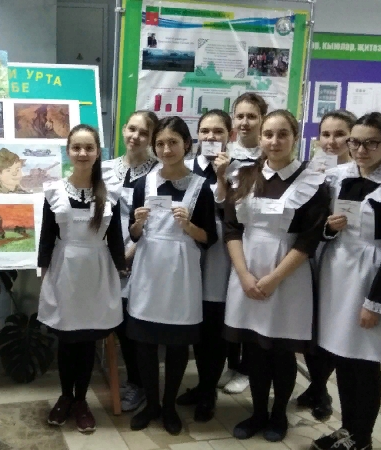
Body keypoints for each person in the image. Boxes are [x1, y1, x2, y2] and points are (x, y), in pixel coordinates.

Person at [311, 112, 381, 450]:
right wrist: (329, 229)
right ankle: (348, 430)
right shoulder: (336, 177)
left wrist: (377, 302)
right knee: (343, 356)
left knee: (364, 361)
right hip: (336, 276)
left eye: (371, 143)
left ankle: (363, 438)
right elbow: (318, 228)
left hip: (371, 277)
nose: (360, 150)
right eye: (355, 142)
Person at [223, 110, 330, 442]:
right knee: (254, 349)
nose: (274, 141)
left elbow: (309, 240)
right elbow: (231, 228)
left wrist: (273, 279)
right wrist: (244, 274)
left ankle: (279, 414)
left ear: (295, 137)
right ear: (260, 137)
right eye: (268, 134)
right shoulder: (242, 176)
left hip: (288, 275)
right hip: (247, 269)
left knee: (282, 351)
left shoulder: (313, 182)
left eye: (283, 134)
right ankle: (257, 413)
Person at [127, 116, 217, 436]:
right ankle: (151, 404)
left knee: (177, 345)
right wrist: (137, 224)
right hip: (148, 272)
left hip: (181, 275)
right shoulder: (144, 184)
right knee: (145, 344)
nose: (166, 149)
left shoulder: (200, 188)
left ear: (187, 145)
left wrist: (188, 226)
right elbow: (134, 235)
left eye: (173, 143)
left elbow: (209, 238)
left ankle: (168, 407)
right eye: (161, 144)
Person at [39, 124, 126, 434]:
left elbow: (115, 237)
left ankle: (81, 401)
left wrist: (121, 268)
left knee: (88, 340)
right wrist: (43, 274)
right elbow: (47, 236)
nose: (82, 153)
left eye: (89, 147)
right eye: (76, 147)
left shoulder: (110, 193)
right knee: (67, 338)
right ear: (68, 151)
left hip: (97, 272)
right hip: (64, 272)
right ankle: (65, 397)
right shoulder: (54, 191)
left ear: (98, 152)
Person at [297, 109, 358, 422]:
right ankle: (317, 387)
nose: (331, 141)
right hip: (310, 254)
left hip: (346, 259)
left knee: (333, 326)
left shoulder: (360, 173)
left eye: (339, 134)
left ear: (352, 138)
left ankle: (319, 388)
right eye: (326, 134)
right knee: (311, 325)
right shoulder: (310, 170)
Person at [176, 109, 234, 422]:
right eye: (205, 131)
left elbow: (234, 212)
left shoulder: (238, 170)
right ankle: (202, 384)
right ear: (197, 135)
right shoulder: (185, 168)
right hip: (187, 248)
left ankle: (209, 390)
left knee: (213, 324)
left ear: (229, 136)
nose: (211, 137)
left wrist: (223, 176)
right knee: (195, 323)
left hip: (219, 253)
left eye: (218, 131)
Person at [101, 109, 159, 413]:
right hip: (107, 255)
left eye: (144, 133)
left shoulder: (159, 172)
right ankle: (134, 380)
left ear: (152, 138)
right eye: (132, 129)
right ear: (124, 129)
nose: (135, 137)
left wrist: (128, 255)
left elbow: (155, 222)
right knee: (120, 322)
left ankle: (141, 384)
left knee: (137, 324)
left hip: (141, 255)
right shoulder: (105, 168)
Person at [218, 92, 269, 395]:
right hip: (227, 238)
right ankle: (232, 362)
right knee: (230, 303)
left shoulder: (270, 154)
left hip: (256, 243)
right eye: (240, 116)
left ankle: (248, 368)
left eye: (252, 116)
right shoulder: (224, 154)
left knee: (251, 303)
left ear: (262, 119)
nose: (245, 122)